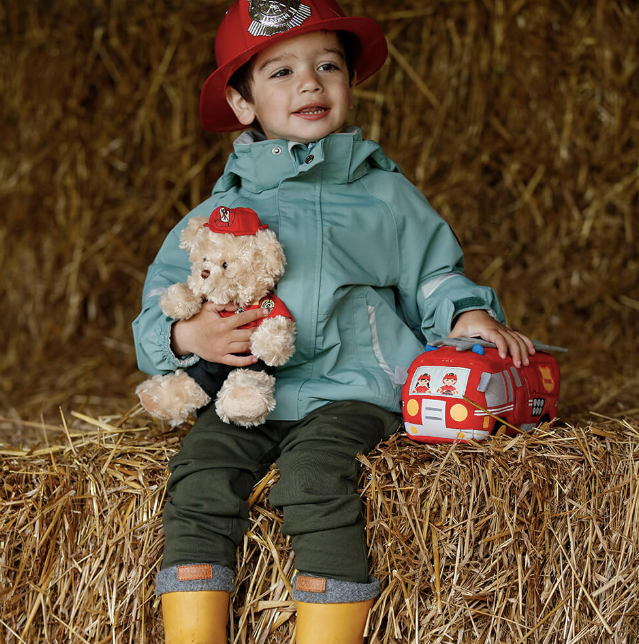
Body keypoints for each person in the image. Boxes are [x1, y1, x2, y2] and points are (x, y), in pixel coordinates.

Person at [132, 1, 534, 641]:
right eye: (281, 72)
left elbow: (433, 274)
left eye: (327, 66)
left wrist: (469, 314)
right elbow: (159, 310)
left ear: (350, 82)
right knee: (198, 479)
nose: (310, 84)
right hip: (248, 397)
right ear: (242, 104)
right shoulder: (219, 214)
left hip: (353, 389)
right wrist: (188, 336)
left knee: (315, 479)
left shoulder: (386, 196)